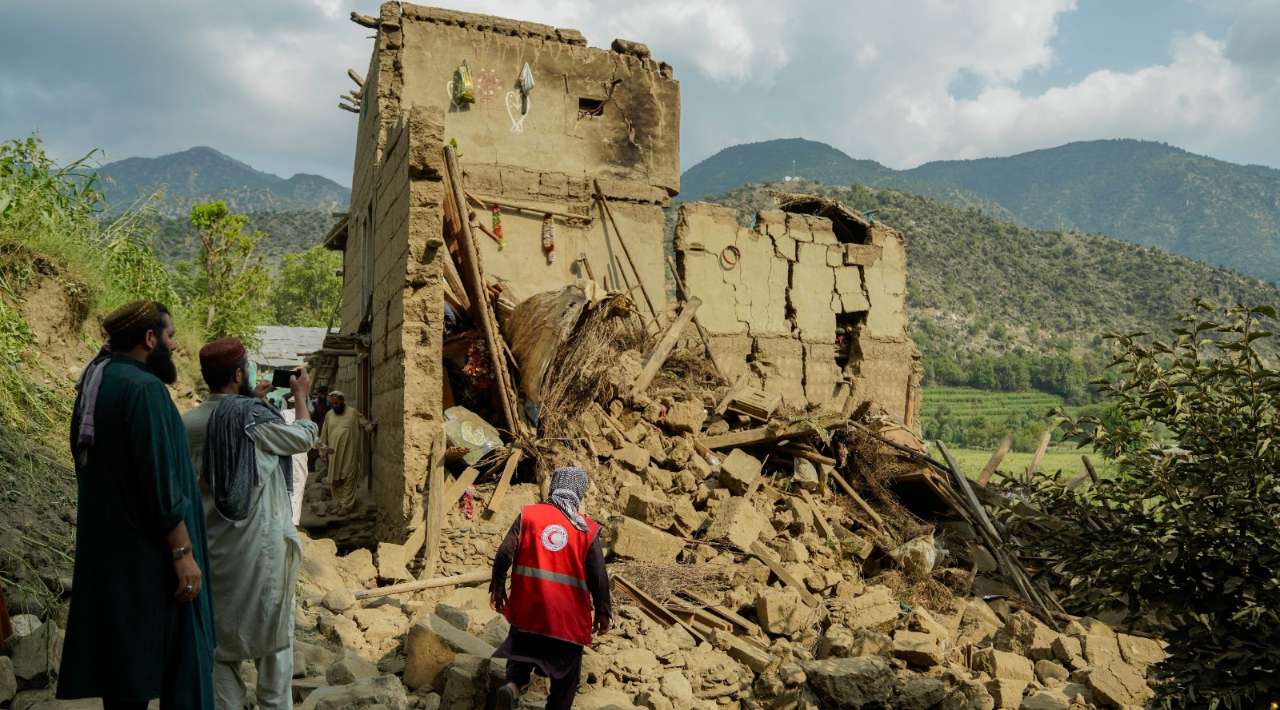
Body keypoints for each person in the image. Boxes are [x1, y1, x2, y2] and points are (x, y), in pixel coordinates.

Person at [58, 300, 215, 710]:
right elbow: (160, 483)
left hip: (112, 552)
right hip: (149, 557)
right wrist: (182, 552)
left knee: (125, 673)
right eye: (170, 335)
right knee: (169, 663)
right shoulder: (144, 390)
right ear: (150, 339)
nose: (175, 345)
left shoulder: (98, 380)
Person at [182, 338, 318, 710]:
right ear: (239, 373)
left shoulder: (187, 423)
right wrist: (301, 397)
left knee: (219, 650)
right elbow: (305, 436)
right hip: (260, 557)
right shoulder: (253, 421)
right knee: (274, 652)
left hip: (211, 554)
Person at [490, 466, 612, 710]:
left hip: (528, 610)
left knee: (521, 655)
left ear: (554, 486)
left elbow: (504, 553)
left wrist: (498, 586)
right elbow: (599, 575)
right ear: (579, 492)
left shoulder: (529, 515)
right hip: (565, 621)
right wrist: (603, 611)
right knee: (565, 679)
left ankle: (512, 688)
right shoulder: (585, 530)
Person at [317, 390, 372, 515]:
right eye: (332, 404)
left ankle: (347, 505)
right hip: (333, 454)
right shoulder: (329, 415)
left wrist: (371, 427)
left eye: (336, 403)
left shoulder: (352, 413)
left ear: (342, 401)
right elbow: (324, 434)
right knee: (334, 481)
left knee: (348, 478)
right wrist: (322, 451)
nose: (334, 405)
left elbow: (365, 424)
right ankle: (338, 503)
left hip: (349, 453)